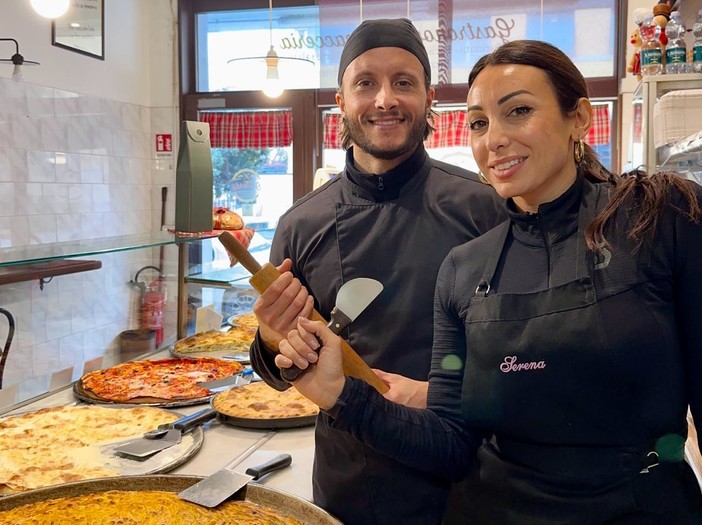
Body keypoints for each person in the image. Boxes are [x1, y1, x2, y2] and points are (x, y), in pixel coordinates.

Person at [278, 40, 702, 524]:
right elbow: (452, 443)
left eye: (517, 111)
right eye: (479, 123)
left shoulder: (659, 219)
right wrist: (340, 394)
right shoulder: (464, 269)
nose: (493, 139)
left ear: (579, 117)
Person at [248, 18, 505, 525]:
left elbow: (522, 354)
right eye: (365, 83)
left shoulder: (484, 209)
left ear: (429, 97)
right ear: (340, 100)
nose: (385, 99)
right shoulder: (301, 223)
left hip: (467, 483)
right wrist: (274, 340)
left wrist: (437, 394)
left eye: (404, 82)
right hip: (350, 479)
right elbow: (283, 375)